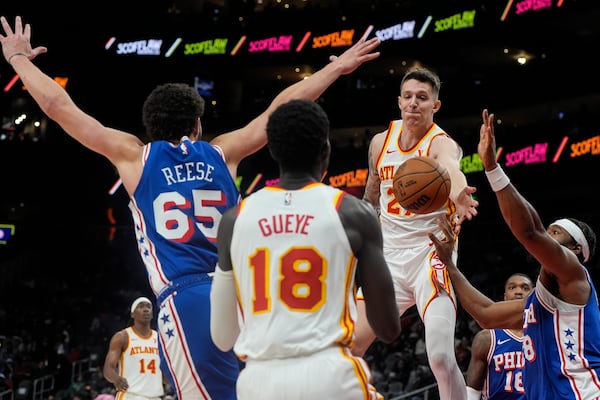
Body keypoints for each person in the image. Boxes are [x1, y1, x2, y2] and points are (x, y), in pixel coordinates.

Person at [0, 15, 383, 400]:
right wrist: (335, 67)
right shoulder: (223, 152)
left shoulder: (134, 157)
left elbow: (59, 106)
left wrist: (19, 60)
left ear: (150, 126)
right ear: (198, 125)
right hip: (246, 295)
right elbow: (279, 110)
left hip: (187, 300)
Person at [209, 99, 401, 399]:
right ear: (325, 151)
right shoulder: (353, 213)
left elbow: (222, 338)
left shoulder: (233, 220)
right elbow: (388, 328)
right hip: (329, 374)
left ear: (272, 150)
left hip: (258, 382)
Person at [428, 108, 600, 399]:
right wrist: (449, 264)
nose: (548, 236)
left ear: (574, 250)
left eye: (555, 234)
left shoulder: (573, 274)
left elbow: (530, 232)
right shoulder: (538, 305)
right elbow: (486, 315)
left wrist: (492, 168)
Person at [354, 67, 478, 399]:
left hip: (431, 257)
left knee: (438, 356)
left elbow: (450, 169)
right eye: (408, 97)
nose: (413, 104)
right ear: (398, 101)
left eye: (422, 98)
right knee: (348, 346)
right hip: (388, 261)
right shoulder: (381, 142)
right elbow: (370, 196)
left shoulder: (441, 143)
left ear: (435, 106)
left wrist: (461, 194)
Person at [465, 273, 533, 400]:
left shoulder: (545, 336)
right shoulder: (487, 338)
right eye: (512, 288)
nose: (518, 292)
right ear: (505, 297)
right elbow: (472, 392)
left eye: (525, 288)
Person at [103, 297, 164, 400]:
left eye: (149, 307)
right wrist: (116, 379)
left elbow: (164, 372)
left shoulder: (160, 339)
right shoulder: (123, 336)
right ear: (132, 314)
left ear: (152, 314)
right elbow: (108, 369)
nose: (146, 309)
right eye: (141, 307)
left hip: (155, 396)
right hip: (131, 395)